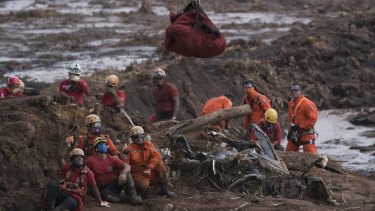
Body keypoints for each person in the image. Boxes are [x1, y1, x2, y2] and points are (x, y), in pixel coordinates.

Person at [42, 148, 110, 211]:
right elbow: (60, 158)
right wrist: (67, 145)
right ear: (71, 161)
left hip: (75, 199)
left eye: (81, 157)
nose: (79, 159)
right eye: (77, 157)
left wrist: (100, 201)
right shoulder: (66, 168)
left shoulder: (88, 173)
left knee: (72, 201)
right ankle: (50, 207)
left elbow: (94, 187)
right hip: (63, 194)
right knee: (52, 183)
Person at [85, 137, 142, 205]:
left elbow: (127, 166)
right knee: (109, 197)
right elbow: (85, 176)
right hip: (103, 190)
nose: (103, 146)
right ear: (95, 148)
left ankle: (133, 196)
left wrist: (123, 174)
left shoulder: (112, 158)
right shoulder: (90, 161)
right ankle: (129, 199)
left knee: (127, 173)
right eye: (100, 144)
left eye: (104, 144)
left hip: (116, 184)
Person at [123, 126, 174, 197]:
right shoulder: (127, 150)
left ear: (144, 136)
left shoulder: (149, 145)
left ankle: (165, 190)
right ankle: (141, 191)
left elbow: (157, 156)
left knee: (160, 163)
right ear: (132, 138)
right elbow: (125, 165)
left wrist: (149, 167)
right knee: (142, 186)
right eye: (136, 137)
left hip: (150, 170)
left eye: (141, 136)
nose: (139, 139)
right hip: (137, 173)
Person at [286, 82, 318, 155]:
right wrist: (289, 132)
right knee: (288, 153)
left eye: (296, 90)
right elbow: (291, 119)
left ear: (301, 91)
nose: (294, 92)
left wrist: (300, 126)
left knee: (311, 157)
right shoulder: (290, 104)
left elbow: (312, 120)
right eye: (292, 90)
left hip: (306, 134)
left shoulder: (308, 104)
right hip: (295, 133)